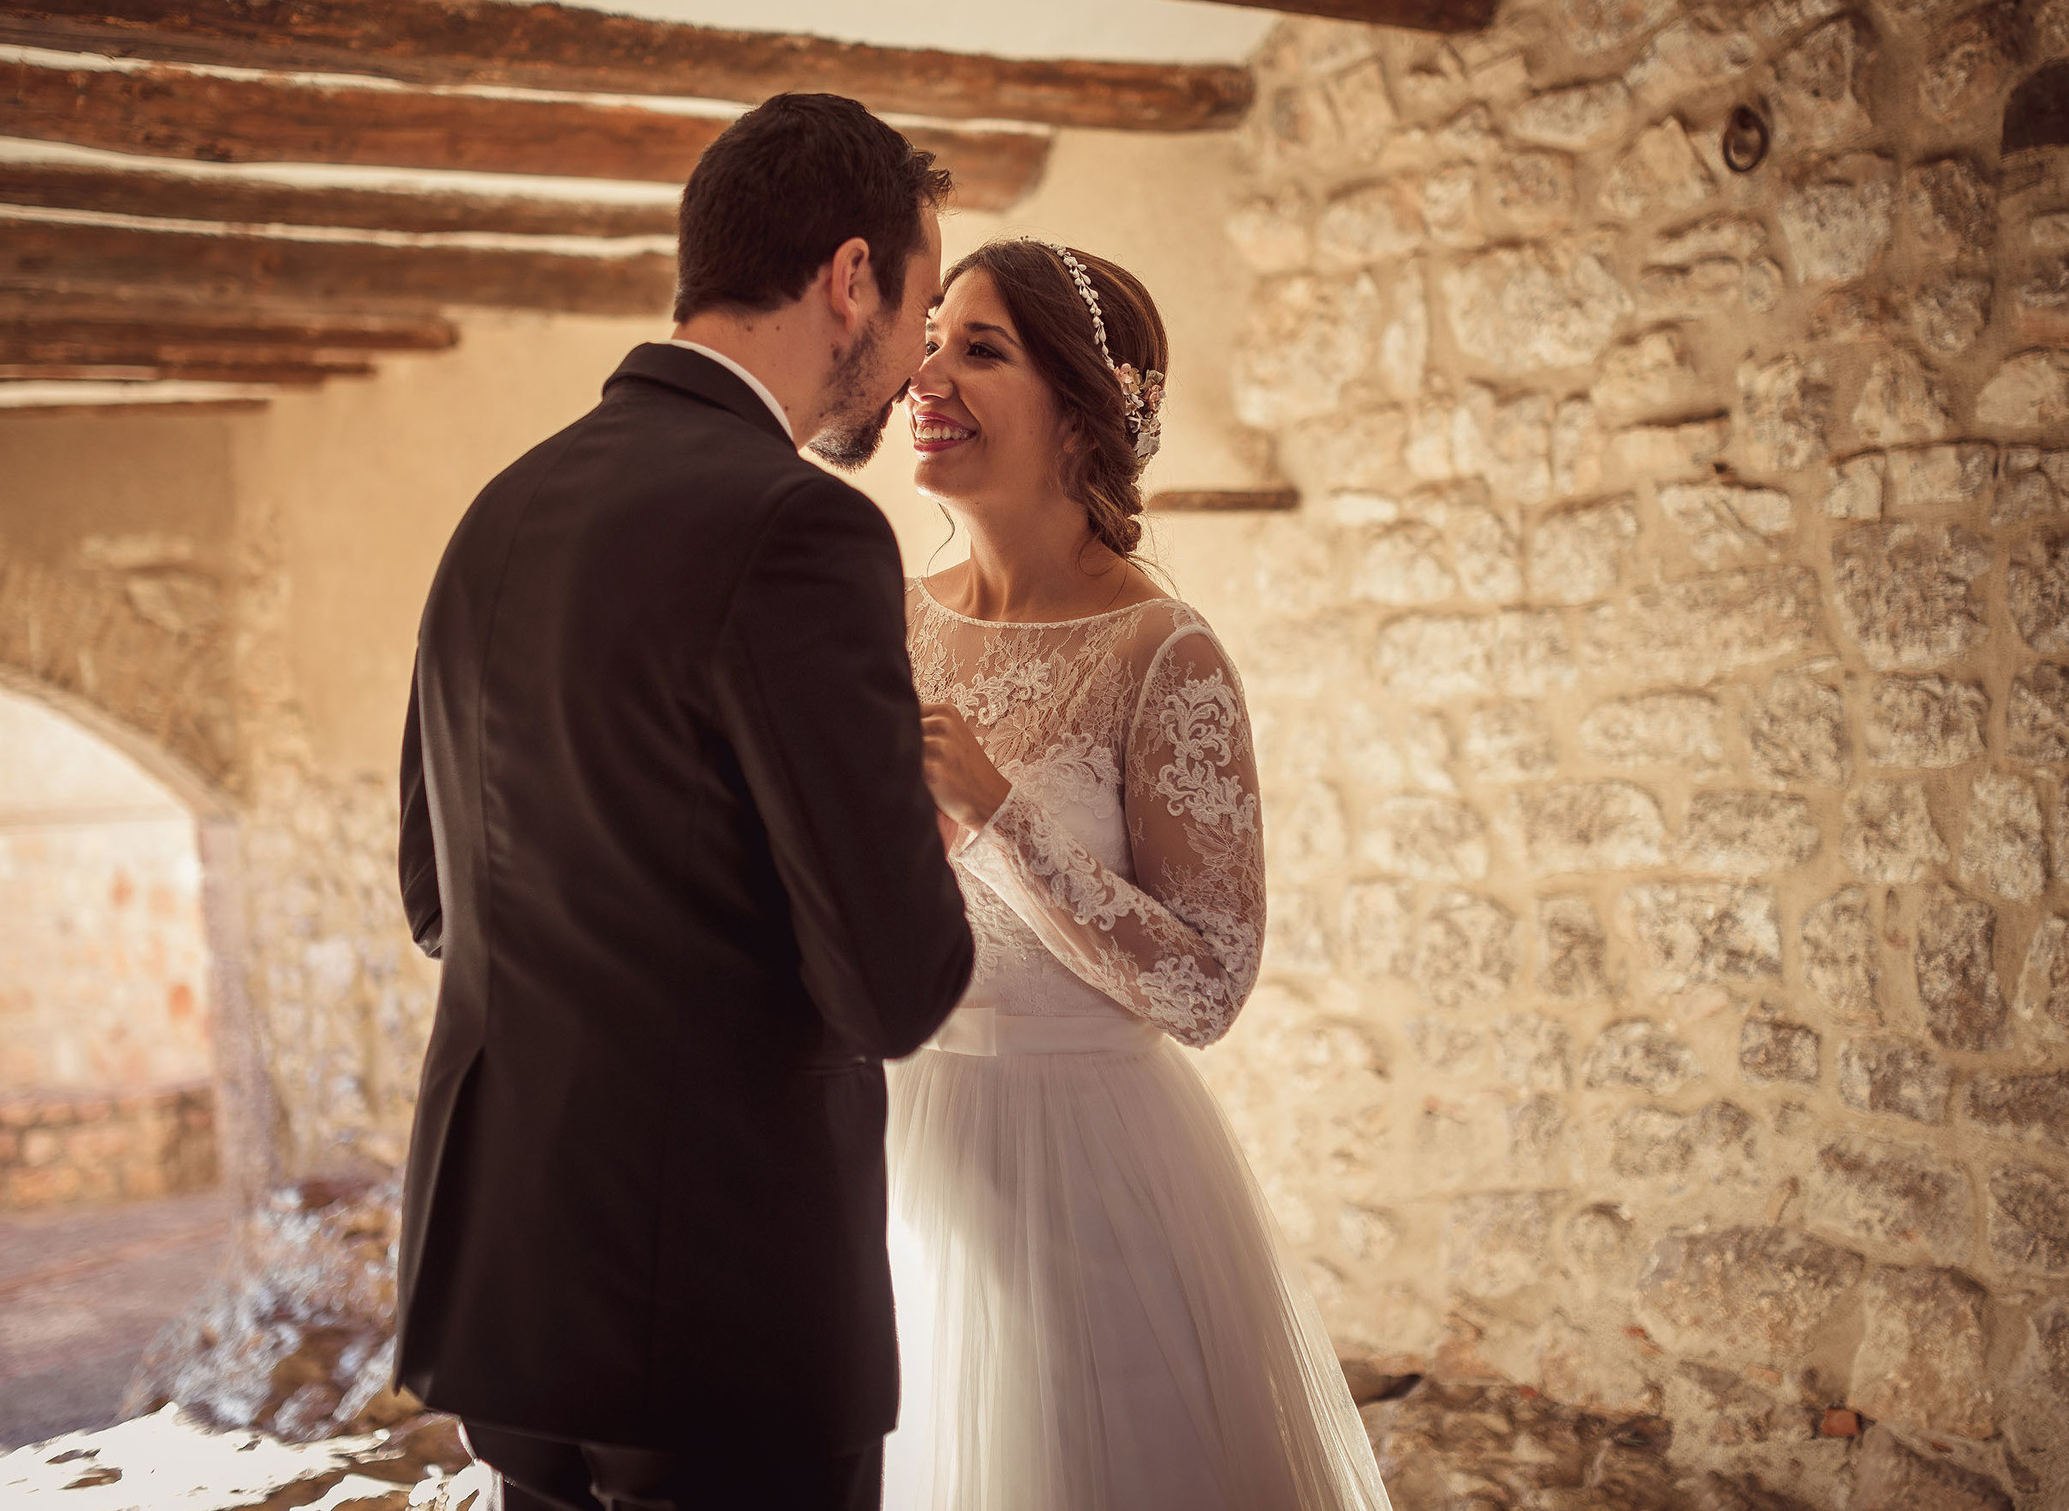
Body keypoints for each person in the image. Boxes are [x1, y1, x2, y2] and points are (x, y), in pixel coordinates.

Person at [393, 93, 978, 1511]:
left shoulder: (502, 508)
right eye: (915, 310)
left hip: (505, 1287)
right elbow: (894, 988)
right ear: (850, 279)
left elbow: (434, 894)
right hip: (720, 1314)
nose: (912, 366)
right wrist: (928, 825)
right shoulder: (801, 529)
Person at [887, 237, 1391, 1510]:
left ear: (1082, 415)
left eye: (978, 348)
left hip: (1088, 1172)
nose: (923, 373)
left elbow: (1208, 985)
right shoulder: (884, 615)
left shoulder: (1165, 654)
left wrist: (999, 817)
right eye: (932, 336)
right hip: (890, 1149)